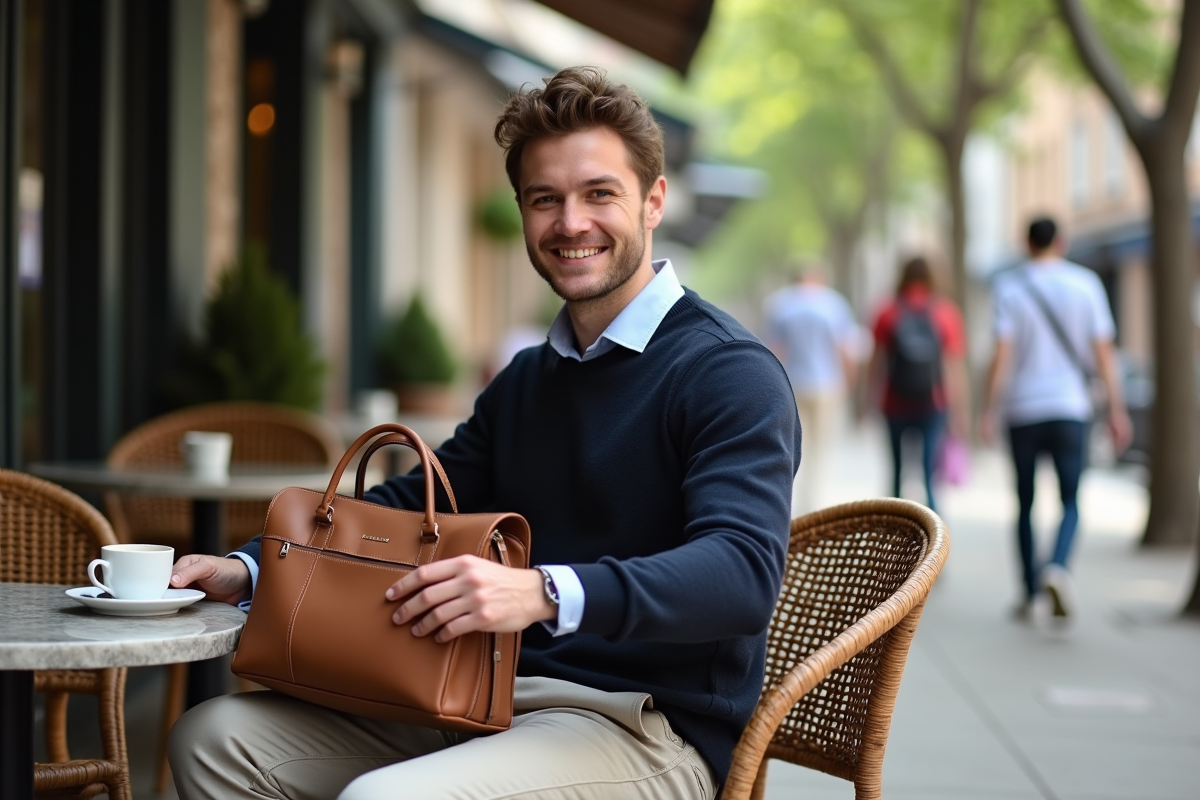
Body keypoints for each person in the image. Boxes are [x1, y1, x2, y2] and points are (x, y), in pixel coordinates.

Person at [165, 66, 801, 800]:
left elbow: (742, 573)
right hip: (481, 698)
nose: (571, 223)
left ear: (654, 201)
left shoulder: (728, 372)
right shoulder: (530, 378)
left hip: (644, 729)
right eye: (545, 200)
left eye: (600, 193)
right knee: (211, 741)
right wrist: (250, 568)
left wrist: (542, 594)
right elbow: (411, 502)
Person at [981, 217, 1130, 623]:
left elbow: (1002, 354)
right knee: (1070, 500)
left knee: (1025, 503)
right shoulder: (1086, 285)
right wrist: (1117, 409)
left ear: (1027, 243)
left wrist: (989, 409)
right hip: (1070, 408)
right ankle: (1058, 567)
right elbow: (1104, 353)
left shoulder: (1010, 287)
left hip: (1023, 410)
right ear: (1060, 243)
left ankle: (1030, 593)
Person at [867, 256, 968, 514]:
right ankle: (937, 543)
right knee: (929, 476)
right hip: (933, 403)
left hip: (894, 401)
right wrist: (959, 411)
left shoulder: (887, 311)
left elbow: (875, 361)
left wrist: (866, 400)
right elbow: (953, 366)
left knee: (897, 473)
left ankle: (894, 542)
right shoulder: (945, 312)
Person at [762, 264, 857, 513]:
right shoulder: (834, 304)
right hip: (827, 385)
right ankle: (813, 500)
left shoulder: (781, 305)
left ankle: (790, 495)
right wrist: (849, 381)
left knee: (790, 443)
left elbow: (774, 349)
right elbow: (843, 348)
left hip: (792, 384)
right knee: (820, 446)